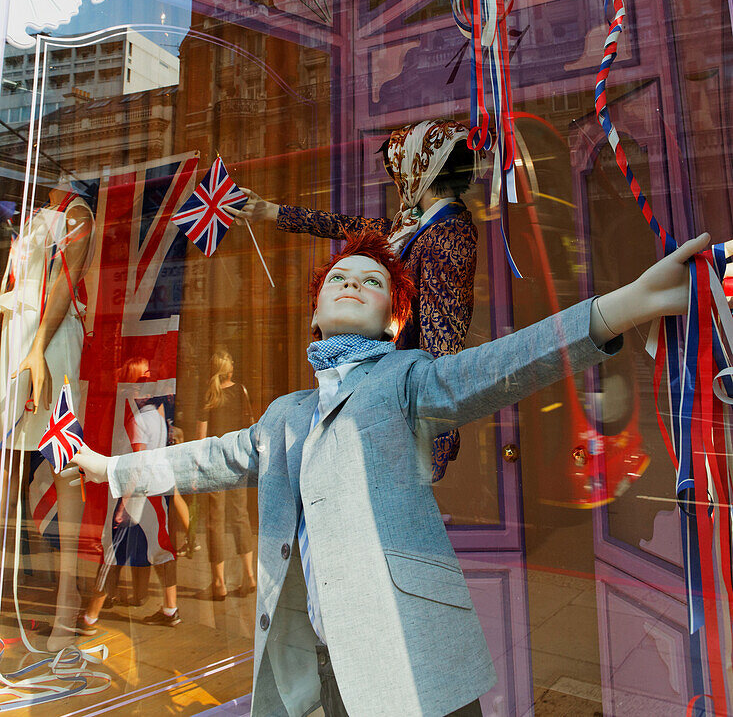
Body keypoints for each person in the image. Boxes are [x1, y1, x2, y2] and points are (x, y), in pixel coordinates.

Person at [67, 227, 708, 717]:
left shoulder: (404, 377)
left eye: (371, 282)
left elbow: (500, 366)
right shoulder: (284, 416)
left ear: (395, 321)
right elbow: (205, 458)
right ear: (314, 314)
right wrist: (110, 466)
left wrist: (620, 307)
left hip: (412, 651)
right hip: (326, 656)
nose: (351, 282)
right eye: (338, 276)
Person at [233, 118, 478, 480]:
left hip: (405, 406)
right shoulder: (414, 224)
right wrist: (271, 211)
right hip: (386, 394)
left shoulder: (448, 232)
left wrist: (436, 436)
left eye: (399, 172)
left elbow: (444, 331)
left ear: (418, 170)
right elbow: (346, 225)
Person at [0, 177, 94, 651]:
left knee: (61, 459)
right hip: (17, 336)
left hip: (50, 341)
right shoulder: (36, 216)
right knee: (7, 463)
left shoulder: (78, 214)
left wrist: (37, 347)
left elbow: (64, 282)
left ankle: (67, 598)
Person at [79, 357, 180, 634]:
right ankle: (170, 609)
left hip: (138, 493)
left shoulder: (137, 419)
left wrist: (123, 504)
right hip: (156, 490)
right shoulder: (158, 415)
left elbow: (137, 462)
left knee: (111, 553)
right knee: (162, 550)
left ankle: (90, 617)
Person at [196, 347, 256, 599]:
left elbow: (200, 438)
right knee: (240, 516)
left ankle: (219, 583)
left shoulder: (209, 395)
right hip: (238, 462)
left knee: (215, 522)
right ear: (229, 368)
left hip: (214, 464)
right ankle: (249, 575)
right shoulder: (241, 391)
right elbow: (251, 427)